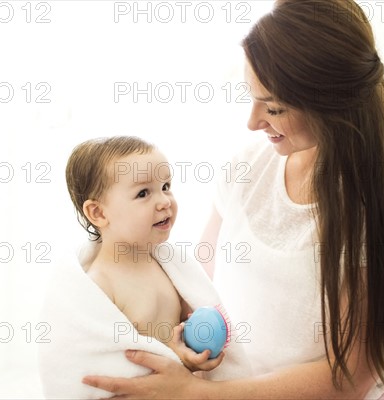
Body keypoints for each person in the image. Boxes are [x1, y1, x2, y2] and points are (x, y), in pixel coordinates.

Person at [82, 1, 384, 398]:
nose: (253, 121)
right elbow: (200, 286)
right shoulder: (247, 168)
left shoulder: (383, 210)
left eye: (275, 107)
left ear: (333, 102)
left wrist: (195, 394)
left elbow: (349, 378)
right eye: (252, 96)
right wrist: (183, 345)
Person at [38, 136, 251, 399]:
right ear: (98, 213)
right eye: (143, 193)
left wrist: (188, 356)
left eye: (166, 186)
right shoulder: (100, 284)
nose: (164, 201)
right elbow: (100, 361)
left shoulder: (168, 266)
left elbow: (180, 335)